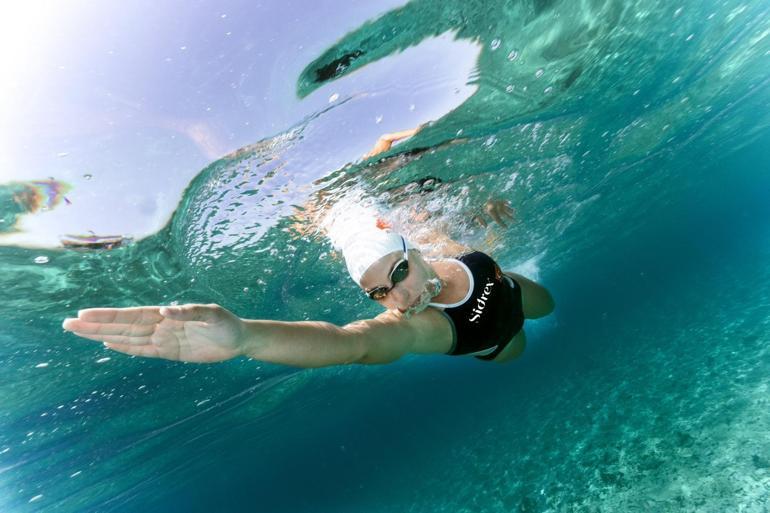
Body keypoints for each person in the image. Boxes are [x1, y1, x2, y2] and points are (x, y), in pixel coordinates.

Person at [62, 228, 554, 367]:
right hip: (497, 344)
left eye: (400, 273)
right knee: (518, 350)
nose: (400, 297)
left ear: (418, 250)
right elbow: (349, 342)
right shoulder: (417, 325)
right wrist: (246, 337)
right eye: (379, 293)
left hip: (515, 290)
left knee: (546, 304)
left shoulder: (448, 246)